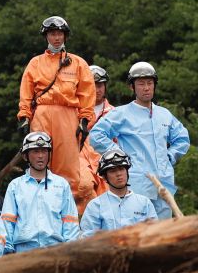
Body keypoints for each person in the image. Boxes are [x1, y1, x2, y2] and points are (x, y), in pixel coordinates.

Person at [90, 61, 190, 219]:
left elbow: (182, 138)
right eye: (141, 83)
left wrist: (170, 157)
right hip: (137, 185)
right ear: (132, 87)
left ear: (154, 85)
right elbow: (96, 134)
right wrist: (119, 156)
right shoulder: (122, 114)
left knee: (164, 234)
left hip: (164, 186)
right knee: (139, 234)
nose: (146, 87)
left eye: (150, 83)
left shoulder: (164, 114)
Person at [17, 16, 97, 212]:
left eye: (60, 34)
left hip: (68, 115)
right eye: (52, 34)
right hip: (41, 115)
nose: (56, 38)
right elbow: (26, 93)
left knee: (68, 167)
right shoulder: (35, 63)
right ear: (46, 36)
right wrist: (24, 118)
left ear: (65, 36)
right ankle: (38, 208)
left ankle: (68, 214)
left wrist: (85, 121)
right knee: (39, 159)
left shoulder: (78, 63)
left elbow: (87, 93)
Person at [1, 132, 79, 253]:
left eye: (44, 151)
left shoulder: (62, 185)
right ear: (26, 156)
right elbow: (7, 221)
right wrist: (7, 249)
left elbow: (70, 221)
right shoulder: (15, 186)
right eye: (36, 151)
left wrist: (70, 250)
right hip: (23, 252)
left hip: (56, 251)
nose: (41, 156)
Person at [80, 148, 157, 237]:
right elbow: (87, 238)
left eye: (121, 169)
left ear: (127, 171)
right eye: (112, 171)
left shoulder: (144, 203)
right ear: (105, 177)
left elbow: (154, 233)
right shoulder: (96, 205)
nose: (118, 174)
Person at [78, 65, 115, 195]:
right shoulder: (74, 112)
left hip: (106, 162)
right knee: (84, 186)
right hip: (80, 161)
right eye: (92, 85)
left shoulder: (115, 114)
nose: (96, 90)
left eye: (100, 85)